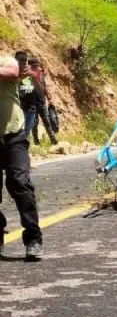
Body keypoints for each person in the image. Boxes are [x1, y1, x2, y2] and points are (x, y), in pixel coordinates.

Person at [0, 53, 42, 260]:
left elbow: (12, 72)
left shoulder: (6, 60)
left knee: (19, 182)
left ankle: (33, 238)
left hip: (13, 135)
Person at [28, 58, 58, 146]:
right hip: (32, 103)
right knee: (34, 123)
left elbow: (45, 87)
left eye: (37, 66)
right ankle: (36, 141)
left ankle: (53, 139)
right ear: (30, 66)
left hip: (42, 102)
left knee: (47, 121)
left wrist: (50, 99)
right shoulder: (27, 76)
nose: (36, 67)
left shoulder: (41, 74)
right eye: (34, 66)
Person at [15, 52, 38, 142]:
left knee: (26, 133)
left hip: (31, 107)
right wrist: (21, 76)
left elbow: (36, 81)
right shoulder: (13, 74)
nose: (23, 66)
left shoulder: (30, 73)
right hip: (20, 108)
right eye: (21, 63)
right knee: (19, 132)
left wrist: (33, 75)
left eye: (25, 63)